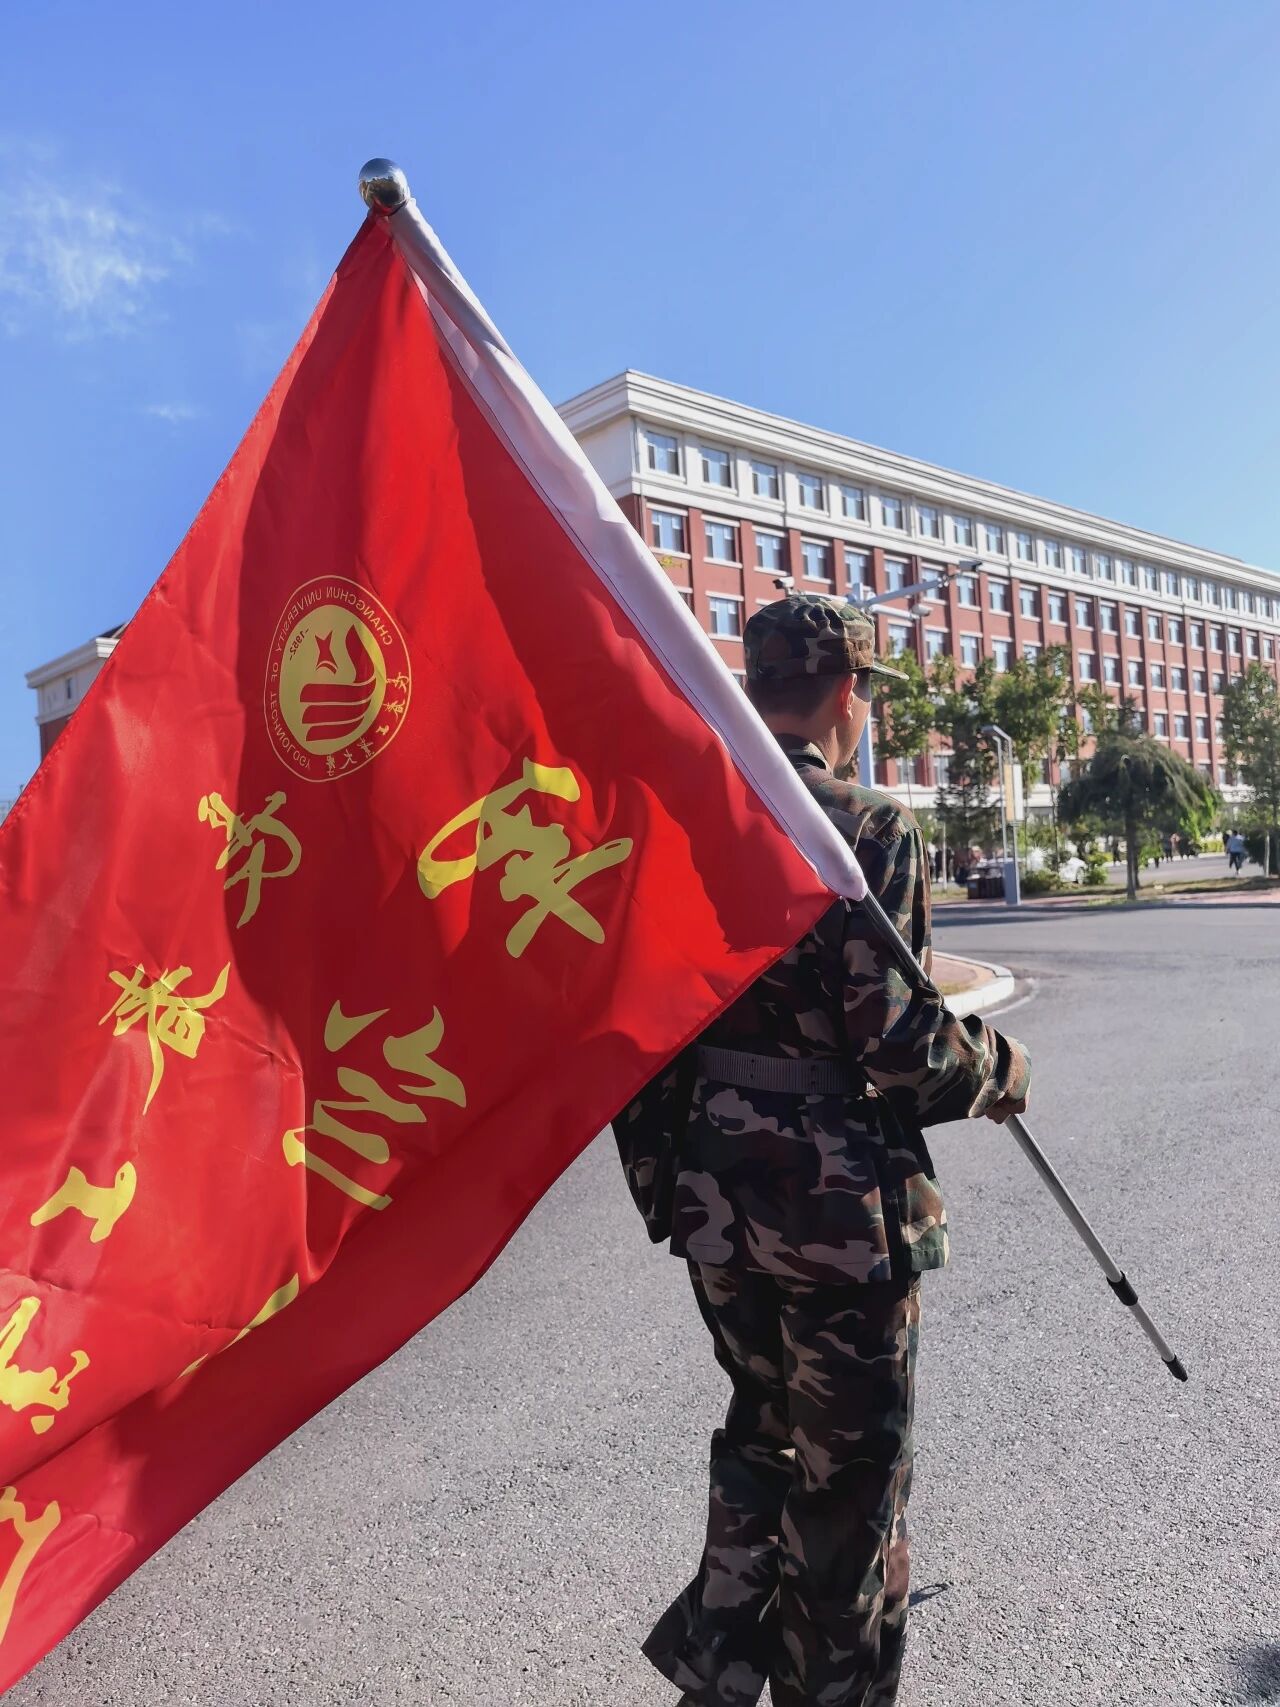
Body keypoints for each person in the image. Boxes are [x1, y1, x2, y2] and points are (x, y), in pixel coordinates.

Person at [613, 595, 1031, 1707]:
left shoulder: (684, 817)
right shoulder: (863, 825)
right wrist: (997, 1071)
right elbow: (898, 1044)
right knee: (850, 1480)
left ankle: (717, 1674)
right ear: (848, 692)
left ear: (758, 690)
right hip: (839, 1221)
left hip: (715, 1203)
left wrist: (672, 1173)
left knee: (761, 1433)